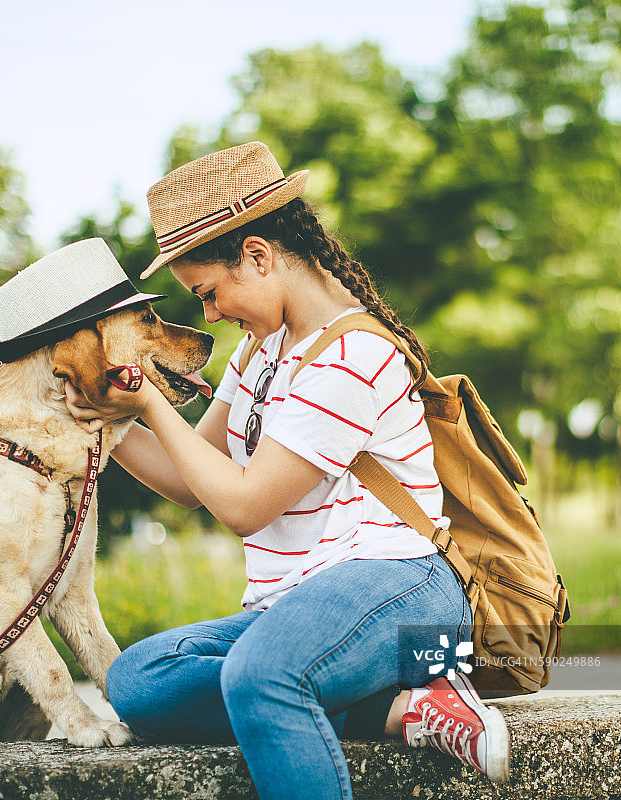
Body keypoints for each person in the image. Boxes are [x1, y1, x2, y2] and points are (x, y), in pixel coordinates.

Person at [64, 142, 510, 799]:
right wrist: (111, 420)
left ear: (258, 255)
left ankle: (419, 679)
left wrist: (151, 400)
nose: (209, 314)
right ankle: (413, 707)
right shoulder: (261, 352)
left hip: (402, 593)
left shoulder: (352, 353)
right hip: (299, 609)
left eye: (208, 292)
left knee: (260, 676)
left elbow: (245, 504)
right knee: (138, 678)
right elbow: (194, 479)